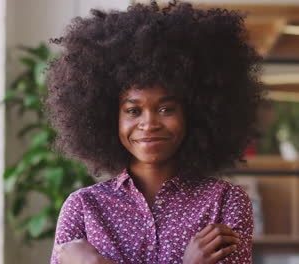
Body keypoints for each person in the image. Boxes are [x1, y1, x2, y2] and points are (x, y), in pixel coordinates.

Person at [44, 0, 264, 263]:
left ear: (193, 113)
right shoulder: (82, 207)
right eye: (133, 111)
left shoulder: (225, 202)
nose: (149, 124)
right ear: (107, 117)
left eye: (166, 109)